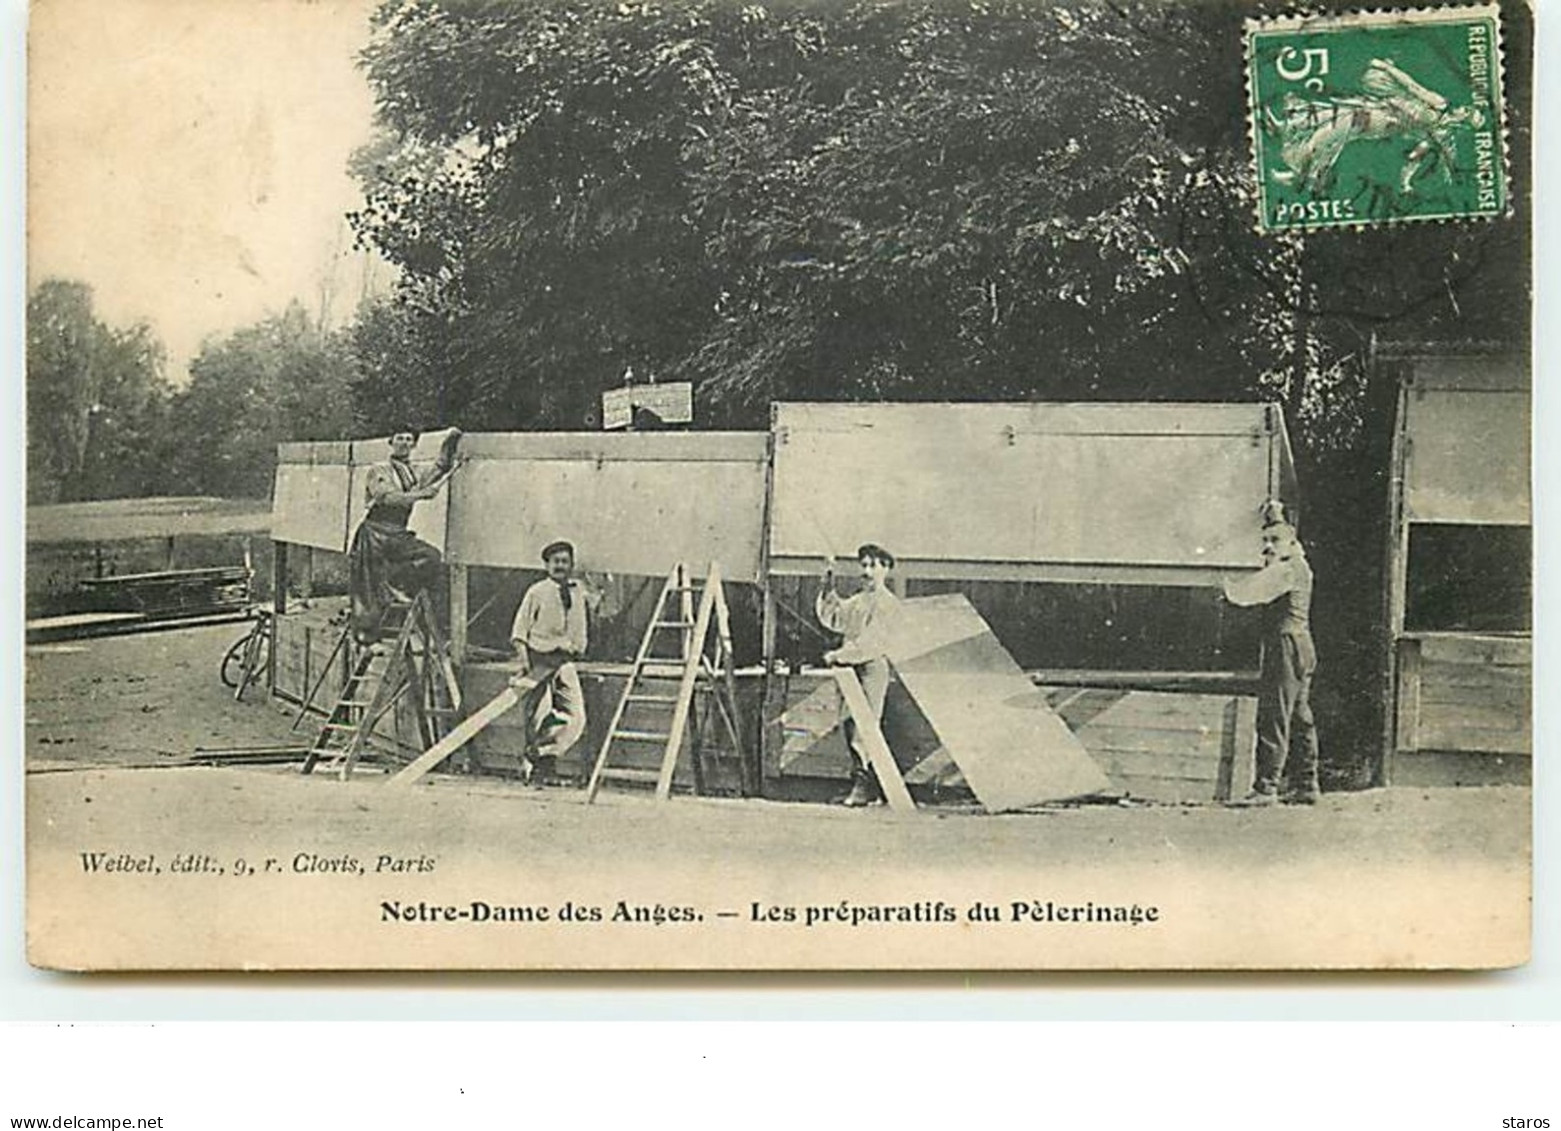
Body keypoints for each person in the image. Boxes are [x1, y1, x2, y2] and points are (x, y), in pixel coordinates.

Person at [1221, 504, 1320, 807]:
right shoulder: (1299, 564)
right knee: (1300, 716)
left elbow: (1245, 594)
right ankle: (1307, 785)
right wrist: (1276, 516)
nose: (1268, 546)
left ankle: (1266, 788)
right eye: (1265, 540)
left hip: (1285, 645)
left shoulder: (1285, 569)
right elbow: (1282, 538)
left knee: (1273, 715)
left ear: (1291, 543)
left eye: (1274, 541)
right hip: (1303, 643)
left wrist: (1223, 584)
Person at [348, 425, 461, 646]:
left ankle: (396, 585)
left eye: (409, 439)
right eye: (400, 438)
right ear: (391, 442)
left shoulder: (415, 471)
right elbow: (386, 497)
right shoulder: (378, 469)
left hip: (398, 533)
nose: (405, 443)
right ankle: (368, 638)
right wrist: (421, 494)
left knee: (431, 557)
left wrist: (449, 444)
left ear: (414, 444)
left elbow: (439, 468)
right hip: (375, 533)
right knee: (368, 590)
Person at [509, 540, 602, 785]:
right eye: (555, 562)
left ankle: (538, 754)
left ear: (571, 565)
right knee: (538, 716)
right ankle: (540, 771)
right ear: (547, 565)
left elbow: (599, 607)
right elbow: (519, 631)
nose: (560, 566)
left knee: (575, 717)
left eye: (565, 561)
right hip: (540, 662)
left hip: (565, 662)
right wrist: (524, 663)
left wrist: (598, 586)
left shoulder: (579, 590)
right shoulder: (537, 591)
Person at [816, 543, 901, 807]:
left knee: (864, 726)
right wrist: (828, 580)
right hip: (852, 668)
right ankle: (861, 785)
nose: (866, 571)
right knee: (850, 724)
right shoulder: (859, 600)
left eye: (873, 565)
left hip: (872, 668)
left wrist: (838, 655)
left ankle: (866, 788)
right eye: (863, 565)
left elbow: (871, 642)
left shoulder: (888, 604)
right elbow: (834, 616)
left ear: (885, 569)